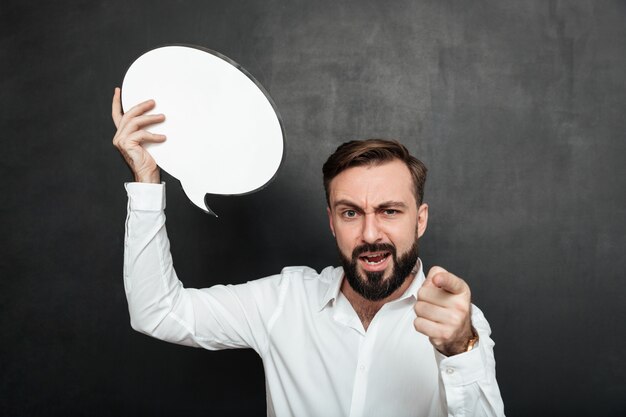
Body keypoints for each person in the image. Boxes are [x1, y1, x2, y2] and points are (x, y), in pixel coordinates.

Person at [111, 87, 505, 417]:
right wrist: (146, 182)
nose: (370, 233)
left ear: (419, 221)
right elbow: (158, 313)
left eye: (389, 211)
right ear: (332, 221)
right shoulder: (285, 300)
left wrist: (459, 350)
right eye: (351, 212)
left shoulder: (458, 327)